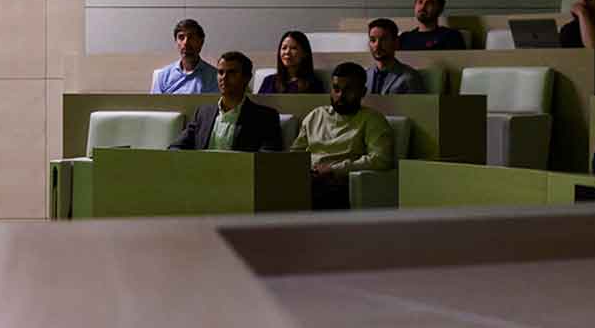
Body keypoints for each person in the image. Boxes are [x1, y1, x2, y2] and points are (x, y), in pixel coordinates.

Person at [292, 62, 396, 209]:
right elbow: (295, 155)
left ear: (362, 92)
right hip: (308, 178)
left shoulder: (373, 120)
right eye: (336, 89)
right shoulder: (316, 115)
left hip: (340, 184)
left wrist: (334, 169)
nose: (340, 95)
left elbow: (381, 160)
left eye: (348, 90)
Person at [170, 52, 286, 152]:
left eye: (232, 73)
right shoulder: (203, 113)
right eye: (220, 72)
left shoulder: (265, 117)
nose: (224, 78)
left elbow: (268, 158)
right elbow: (176, 147)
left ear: (246, 78)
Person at [154, 18, 218, 94]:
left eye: (191, 37)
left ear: (201, 42)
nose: (186, 42)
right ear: (176, 42)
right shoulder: (163, 76)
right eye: (181, 37)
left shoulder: (214, 77)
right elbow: (154, 105)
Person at [398, 0, 467, 50]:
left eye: (430, 3)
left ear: (440, 9)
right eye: (420, 2)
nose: (423, 7)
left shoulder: (451, 36)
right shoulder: (404, 38)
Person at [365, 18, 424, 94]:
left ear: (396, 42)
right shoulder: (365, 76)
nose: (377, 45)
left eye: (383, 40)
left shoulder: (410, 77)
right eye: (373, 40)